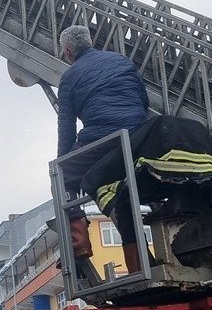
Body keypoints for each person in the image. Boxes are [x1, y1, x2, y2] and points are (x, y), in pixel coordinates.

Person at [55, 24, 150, 271]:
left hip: (102, 139)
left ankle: (79, 244)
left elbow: (66, 127)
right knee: (121, 195)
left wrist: (61, 162)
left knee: (62, 176)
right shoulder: (121, 60)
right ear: (89, 41)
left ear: (67, 51)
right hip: (139, 137)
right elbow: (144, 100)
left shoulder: (69, 77)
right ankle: (140, 263)